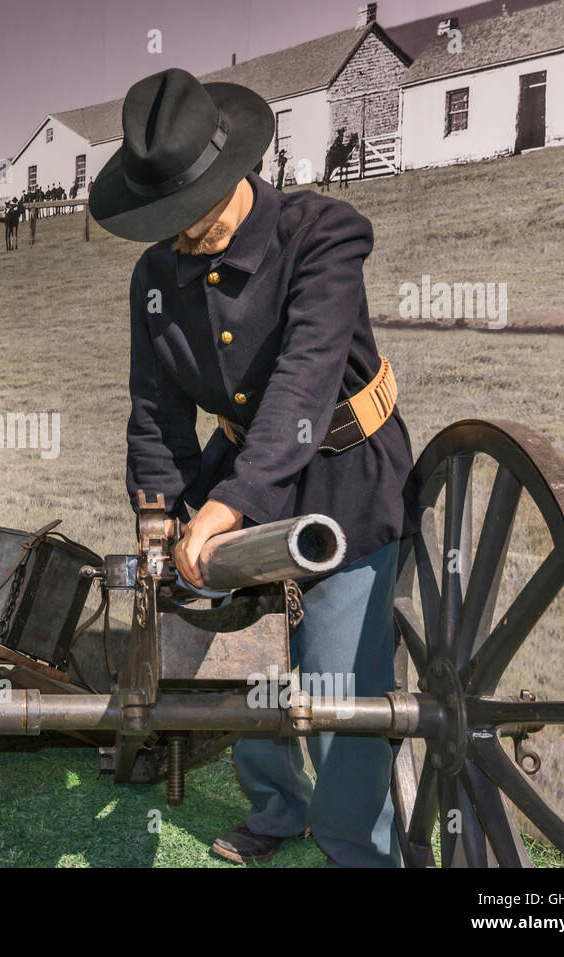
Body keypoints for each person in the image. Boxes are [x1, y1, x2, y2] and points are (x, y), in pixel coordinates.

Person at [89, 69, 414, 867]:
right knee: (232, 654)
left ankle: (357, 849)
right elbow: (156, 407)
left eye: (186, 215)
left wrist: (230, 506)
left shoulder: (324, 236)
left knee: (338, 690)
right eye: (162, 221)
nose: (176, 238)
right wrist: (163, 515)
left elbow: (305, 379)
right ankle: (276, 805)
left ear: (233, 170)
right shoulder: (156, 278)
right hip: (236, 474)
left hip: (347, 473)